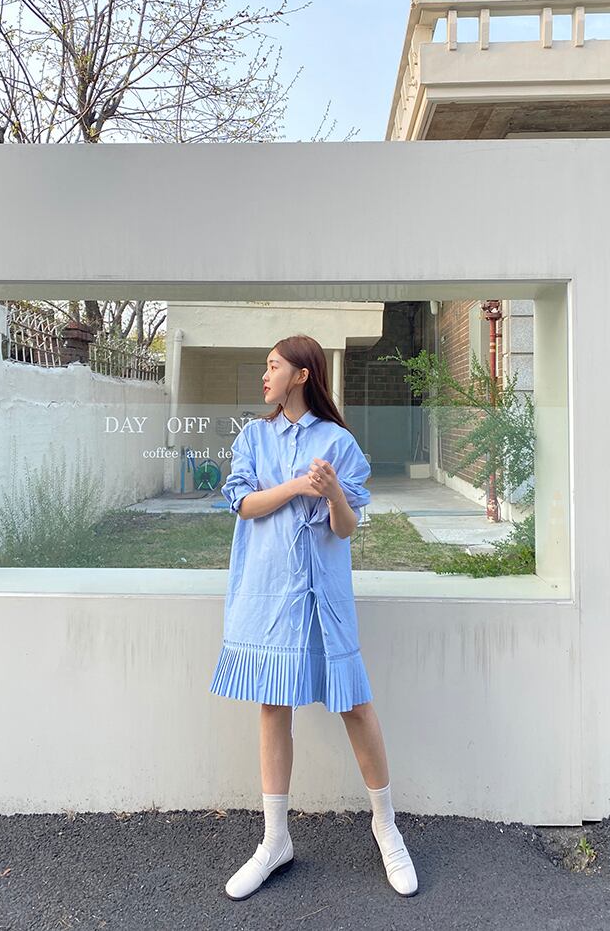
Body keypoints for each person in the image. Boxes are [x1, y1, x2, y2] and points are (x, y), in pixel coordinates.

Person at [209, 333, 418, 900]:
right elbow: (242, 504)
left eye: (273, 366)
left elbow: (346, 528)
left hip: (323, 593)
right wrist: (301, 485)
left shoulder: (337, 442)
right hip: (268, 592)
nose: (265, 375)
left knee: (354, 704)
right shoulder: (253, 437)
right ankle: (275, 839)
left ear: (302, 375)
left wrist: (333, 495)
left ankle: (387, 827)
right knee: (273, 705)